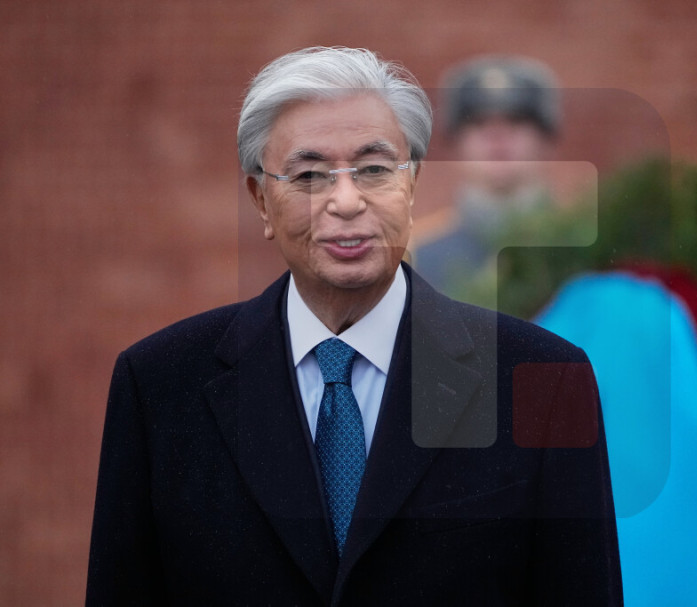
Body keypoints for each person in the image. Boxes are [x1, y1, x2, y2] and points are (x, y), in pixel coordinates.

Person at [86, 47, 622, 606]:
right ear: (261, 200)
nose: (346, 201)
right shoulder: (159, 387)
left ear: (411, 184)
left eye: (374, 170)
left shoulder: (542, 378)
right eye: (309, 175)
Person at [412, 55, 562, 297]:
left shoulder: (588, 249)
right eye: (479, 122)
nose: (497, 135)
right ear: (455, 144)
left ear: (546, 140)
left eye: (516, 120)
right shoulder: (414, 257)